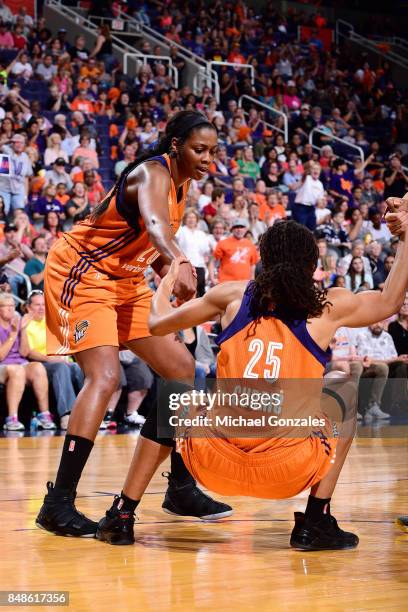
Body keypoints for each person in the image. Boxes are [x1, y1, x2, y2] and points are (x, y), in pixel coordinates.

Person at [99, 205, 408, 551]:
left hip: (215, 461)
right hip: (288, 468)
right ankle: (315, 520)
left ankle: (122, 514)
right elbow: (390, 300)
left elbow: (156, 324)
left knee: (175, 395)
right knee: (345, 388)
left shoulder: (232, 296)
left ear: (263, 260)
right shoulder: (328, 307)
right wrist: (406, 236)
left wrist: (166, 282)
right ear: (312, 266)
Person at [36, 111, 232, 539]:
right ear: (176, 145)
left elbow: (153, 244)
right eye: (199, 149)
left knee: (181, 371)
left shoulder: (183, 187)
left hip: (126, 281)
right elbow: (159, 227)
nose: (207, 158)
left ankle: (179, 486)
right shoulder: (152, 173)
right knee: (104, 377)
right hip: (82, 271)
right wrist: (179, 259)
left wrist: (172, 273)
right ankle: (58, 503)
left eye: (213, 151)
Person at [25, 290, 84, 431]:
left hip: (59, 360)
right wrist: (50, 359)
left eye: (43, 304)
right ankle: (67, 415)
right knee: (60, 368)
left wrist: (64, 357)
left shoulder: (52, 321)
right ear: (28, 307)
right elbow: (28, 351)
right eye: (37, 305)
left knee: (78, 367)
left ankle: (86, 413)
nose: (41, 308)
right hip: (38, 363)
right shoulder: (26, 323)